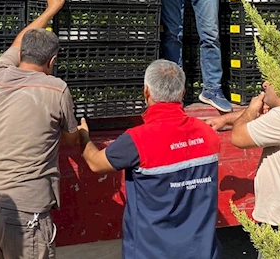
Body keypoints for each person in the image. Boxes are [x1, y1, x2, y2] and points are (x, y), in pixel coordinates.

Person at [0, 0, 79, 259]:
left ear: (22, 54)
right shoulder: (56, 89)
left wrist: (49, 10)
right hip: (25, 213)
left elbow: (19, 42)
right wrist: (83, 134)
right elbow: (71, 139)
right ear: (53, 62)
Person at [78, 60, 221, 259]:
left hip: (151, 253)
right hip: (203, 253)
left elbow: (95, 163)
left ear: (146, 92)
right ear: (182, 93)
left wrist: (83, 136)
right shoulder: (207, 134)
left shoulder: (137, 140)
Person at [206, 81, 280, 253]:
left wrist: (252, 108)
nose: (264, 84)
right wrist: (225, 119)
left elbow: (239, 137)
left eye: (270, 78)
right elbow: (260, 119)